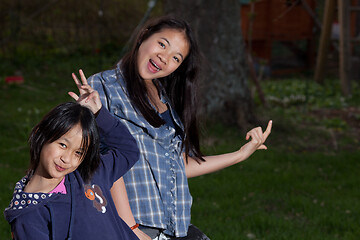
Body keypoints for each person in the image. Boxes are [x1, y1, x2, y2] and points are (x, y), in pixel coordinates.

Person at [88, 16, 272, 240]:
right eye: (162, 44)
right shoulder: (103, 87)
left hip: (171, 227)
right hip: (128, 227)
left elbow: (175, 165)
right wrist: (131, 228)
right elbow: (106, 159)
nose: (164, 58)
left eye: (176, 58)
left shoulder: (164, 98)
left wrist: (240, 154)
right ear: (144, 35)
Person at [4, 70, 140, 240]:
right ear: (41, 134)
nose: (67, 159)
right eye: (62, 145)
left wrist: (98, 113)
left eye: (78, 152)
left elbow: (128, 150)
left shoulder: (90, 174)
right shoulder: (28, 216)